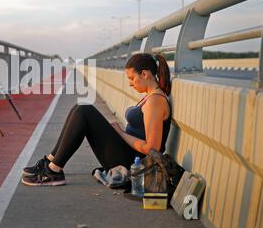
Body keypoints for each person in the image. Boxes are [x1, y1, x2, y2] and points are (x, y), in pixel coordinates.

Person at [21, 53, 172, 186]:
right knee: (79, 108)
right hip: (128, 154)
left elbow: (153, 149)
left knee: (84, 111)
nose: (130, 83)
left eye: (132, 78)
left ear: (144, 74)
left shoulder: (155, 102)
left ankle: (53, 170)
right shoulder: (150, 97)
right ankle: (51, 160)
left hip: (135, 163)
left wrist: (120, 132)